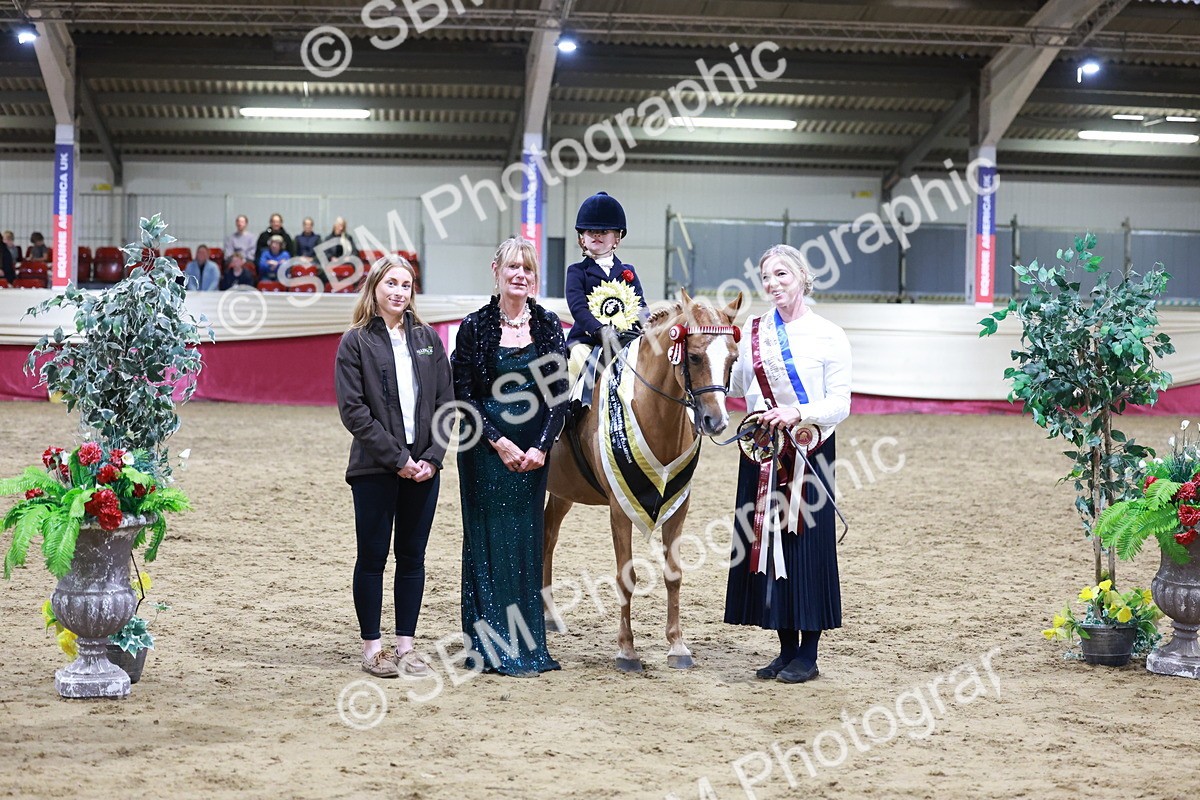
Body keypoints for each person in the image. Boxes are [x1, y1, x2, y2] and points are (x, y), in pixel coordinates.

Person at [724, 244, 852, 685]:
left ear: (801, 276)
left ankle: (809, 654)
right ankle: (785, 649)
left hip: (807, 450)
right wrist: (717, 345)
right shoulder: (756, 331)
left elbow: (840, 403)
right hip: (761, 451)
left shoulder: (829, 334)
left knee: (805, 549)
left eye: (782, 274)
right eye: (767, 277)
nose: (774, 283)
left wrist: (799, 413)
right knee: (765, 544)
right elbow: (736, 384)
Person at [334, 254, 454, 679]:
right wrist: (399, 459)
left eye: (406, 285)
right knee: (372, 558)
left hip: (424, 470)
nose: (399, 292)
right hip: (374, 469)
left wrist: (432, 459)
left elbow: (445, 404)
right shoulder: (355, 341)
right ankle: (373, 649)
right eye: (391, 284)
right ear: (375, 288)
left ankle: (406, 647)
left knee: (412, 557)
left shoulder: (427, 338)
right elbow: (354, 411)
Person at [453, 236, 567, 677]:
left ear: (534, 277)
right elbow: (464, 396)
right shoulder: (475, 325)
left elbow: (558, 397)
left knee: (524, 544)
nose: (520, 275)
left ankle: (525, 643)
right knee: (485, 543)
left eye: (528, 268)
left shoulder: (549, 325)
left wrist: (540, 447)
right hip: (485, 453)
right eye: (512, 267)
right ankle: (487, 647)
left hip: (533, 457)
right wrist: (500, 442)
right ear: (496, 270)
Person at [564, 192, 646, 385]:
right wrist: (599, 330)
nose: (597, 235)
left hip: (626, 341)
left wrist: (648, 328)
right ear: (582, 238)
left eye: (604, 231)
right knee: (574, 366)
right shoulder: (577, 272)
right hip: (587, 342)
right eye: (590, 231)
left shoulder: (628, 273)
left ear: (617, 238)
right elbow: (578, 308)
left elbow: (640, 306)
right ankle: (571, 410)